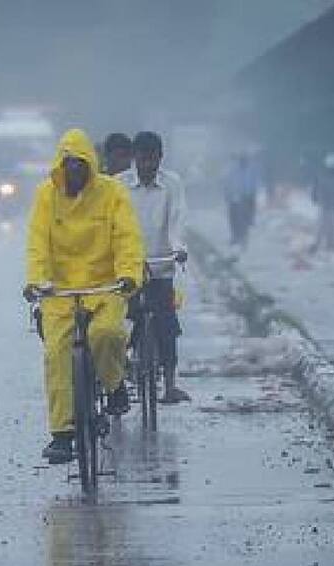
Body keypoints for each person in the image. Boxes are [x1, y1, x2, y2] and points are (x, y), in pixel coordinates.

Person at [24, 128, 144, 464]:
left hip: (105, 287)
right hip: (59, 292)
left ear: (90, 166)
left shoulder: (113, 193)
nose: (74, 174)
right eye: (68, 168)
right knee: (56, 355)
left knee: (106, 334)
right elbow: (37, 243)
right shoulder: (46, 195)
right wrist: (35, 280)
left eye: (80, 167)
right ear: (59, 168)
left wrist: (129, 275)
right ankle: (62, 434)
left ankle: (114, 384)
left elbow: (127, 238)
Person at [119, 131, 190, 404]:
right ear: (134, 158)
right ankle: (119, 373)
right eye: (142, 159)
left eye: (153, 159)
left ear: (161, 158)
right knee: (121, 322)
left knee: (167, 324)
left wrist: (178, 248)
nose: (148, 165)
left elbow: (177, 218)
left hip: (161, 263)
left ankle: (170, 384)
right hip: (127, 266)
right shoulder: (119, 185)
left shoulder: (173, 184)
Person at [310, 152, 334, 252]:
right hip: (326, 203)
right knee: (323, 224)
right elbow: (315, 187)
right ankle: (319, 243)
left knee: (330, 224)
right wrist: (314, 196)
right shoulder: (324, 176)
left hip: (331, 204)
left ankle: (328, 243)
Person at [223, 152, 260, 248]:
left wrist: (253, 193)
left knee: (246, 218)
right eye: (242, 160)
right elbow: (227, 183)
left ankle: (244, 236)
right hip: (235, 197)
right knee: (234, 217)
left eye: (245, 160)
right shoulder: (232, 170)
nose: (244, 162)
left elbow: (255, 182)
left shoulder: (252, 169)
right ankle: (235, 236)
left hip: (248, 196)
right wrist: (228, 195)